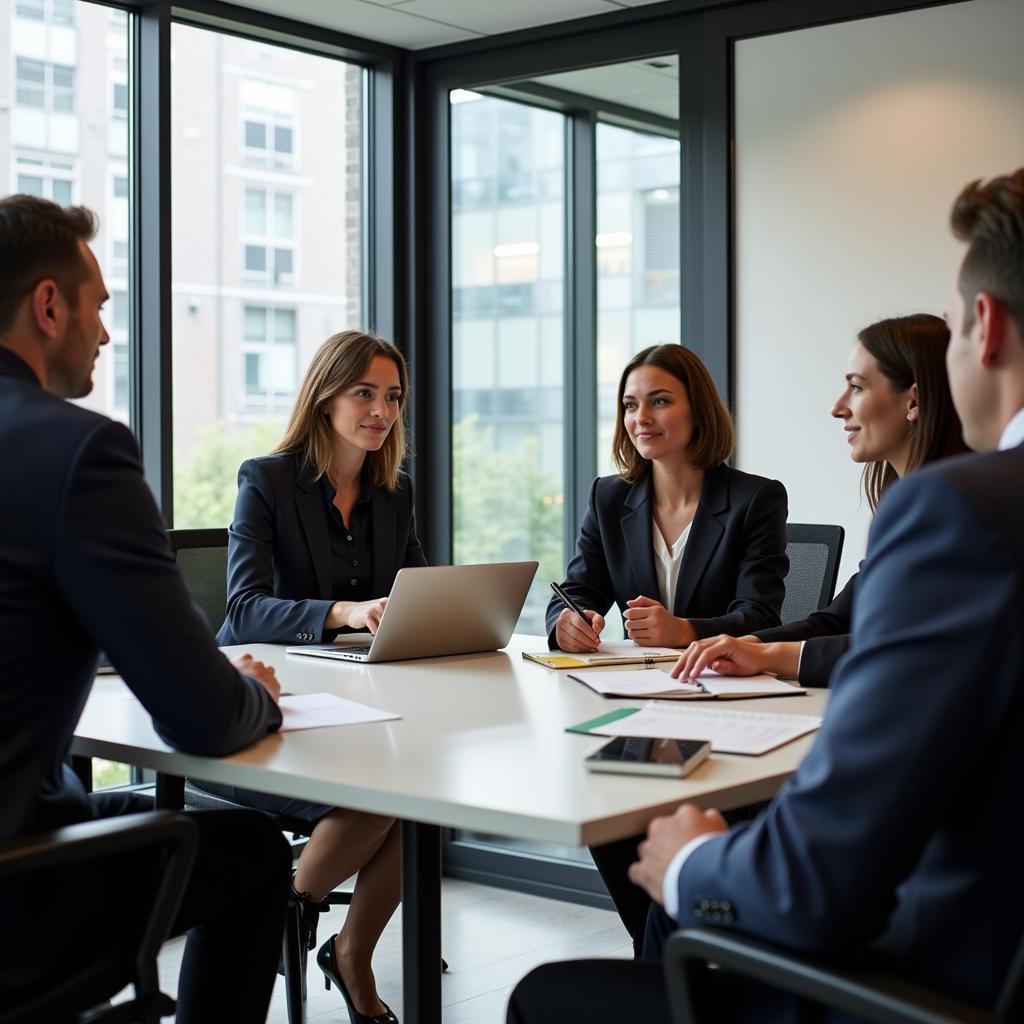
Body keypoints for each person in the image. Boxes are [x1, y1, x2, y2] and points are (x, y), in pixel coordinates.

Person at [508, 168, 1024, 1022]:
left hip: (924, 976)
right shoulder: (614, 496)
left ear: (989, 327)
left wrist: (693, 865)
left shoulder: (959, 511)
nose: (838, 406)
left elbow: (819, 875)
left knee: (550, 994)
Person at [0, 194, 290, 1021]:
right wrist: (257, 694)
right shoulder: (77, 450)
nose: (104, 332)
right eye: (97, 307)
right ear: (48, 305)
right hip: (15, 890)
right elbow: (201, 718)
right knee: (252, 851)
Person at [207, 329, 424, 1023]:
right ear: (325, 397)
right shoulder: (267, 480)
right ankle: (294, 914)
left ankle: (336, 944)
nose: (381, 410)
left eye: (392, 396)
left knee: (421, 798)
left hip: (355, 707)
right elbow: (242, 610)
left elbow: (416, 595)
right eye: (365, 393)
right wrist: (344, 611)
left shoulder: (395, 493)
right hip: (263, 712)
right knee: (382, 799)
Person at [545, 343, 789, 955]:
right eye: (630, 405)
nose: (641, 417)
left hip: (729, 707)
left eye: (659, 401)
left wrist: (685, 629)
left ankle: (676, 958)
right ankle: (659, 956)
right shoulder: (609, 497)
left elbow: (761, 616)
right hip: (640, 702)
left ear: (697, 411)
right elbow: (576, 588)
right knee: (606, 803)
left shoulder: (755, 499)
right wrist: (565, 624)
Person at [673, 314, 968, 687]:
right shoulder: (910, 506)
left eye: (857, 387)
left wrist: (768, 654)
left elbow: (907, 647)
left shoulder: (955, 512)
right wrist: (740, 644)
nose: (838, 407)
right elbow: (835, 621)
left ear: (913, 401)